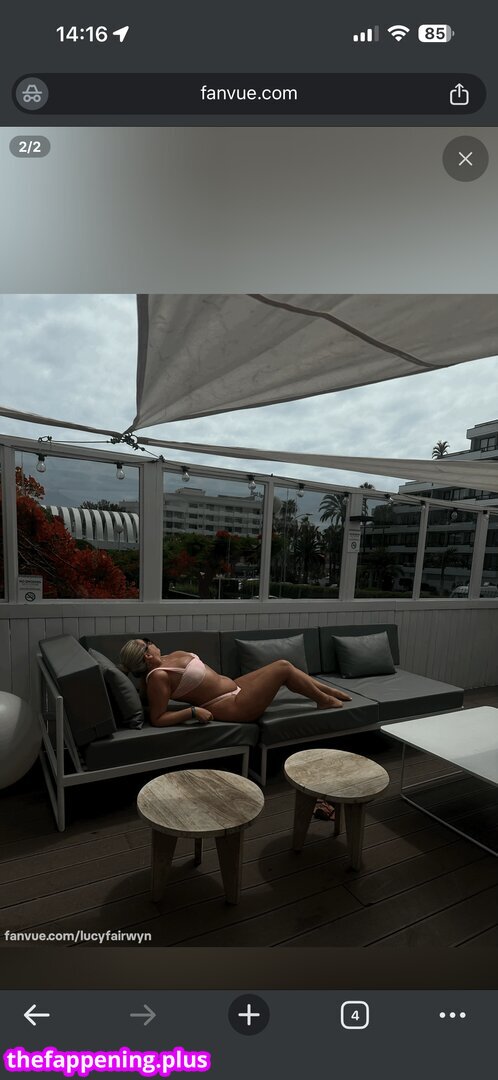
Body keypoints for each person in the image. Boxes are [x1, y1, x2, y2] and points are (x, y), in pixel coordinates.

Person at [119, 637, 352, 728]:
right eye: (148, 642)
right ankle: (324, 700)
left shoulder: (166, 658)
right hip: (231, 705)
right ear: (147, 655)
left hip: (235, 687)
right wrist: (192, 712)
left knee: (285, 666)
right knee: (282, 667)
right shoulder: (157, 677)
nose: (153, 642)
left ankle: (327, 690)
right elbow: (158, 718)